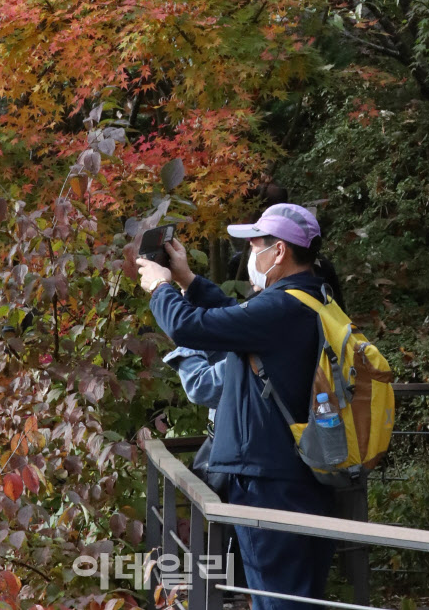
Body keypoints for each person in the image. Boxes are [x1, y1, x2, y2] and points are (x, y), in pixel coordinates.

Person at [137, 203, 336, 610]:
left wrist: (161, 288)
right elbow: (237, 316)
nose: (250, 256)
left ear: (278, 252)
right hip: (300, 470)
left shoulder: (282, 307)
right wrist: (189, 280)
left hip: (269, 478)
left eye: (255, 246)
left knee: (277, 597)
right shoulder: (313, 298)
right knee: (300, 592)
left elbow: (189, 327)